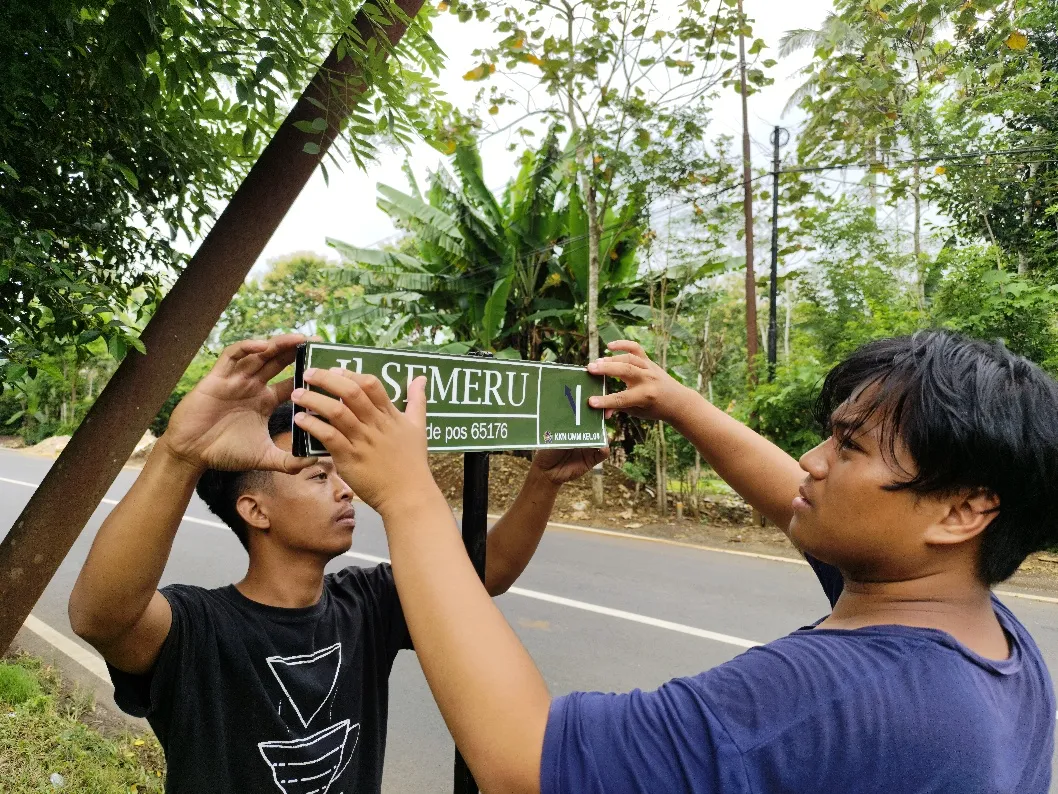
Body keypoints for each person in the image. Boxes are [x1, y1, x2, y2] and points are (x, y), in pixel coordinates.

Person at [289, 330, 1058, 793]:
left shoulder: (830, 695)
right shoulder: (993, 645)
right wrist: (679, 403)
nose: (814, 462)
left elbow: (525, 762)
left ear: (963, 511)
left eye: (848, 447)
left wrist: (409, 495)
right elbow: (796, 491)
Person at [67, 334, 605, 794]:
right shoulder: (199, 628)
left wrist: (542, 482)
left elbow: (487, 572)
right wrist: (180, 455)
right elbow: (102, 617)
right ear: (254, 510)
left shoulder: (365, 604)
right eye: (318, 476)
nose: (346, 489)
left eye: (338, 473)